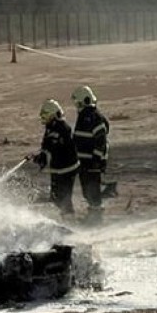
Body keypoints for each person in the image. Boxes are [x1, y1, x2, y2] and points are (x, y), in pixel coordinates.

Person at [28, 100, 79, 215]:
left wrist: (41, 158)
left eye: (46, 116)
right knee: (56, 197)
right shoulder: (51, 127)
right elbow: (47, 147)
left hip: (67, 169)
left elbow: (53, 148)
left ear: (53, 115)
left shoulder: (62, 129)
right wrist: (39, 156)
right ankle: (67, 216)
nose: (44, 119)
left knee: (64, 199)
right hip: (57, 169)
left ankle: (70, 219)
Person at [71, 85, 110, 225]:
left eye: (78, 103)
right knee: (87, 191)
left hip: (92, 163)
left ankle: (96, 219)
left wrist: (96, 160)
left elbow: (101, 141)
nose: (77, 106)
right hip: (83, 162)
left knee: (92, 191)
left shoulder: (94, 117)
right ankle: (93, 215)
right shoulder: (83, 117)